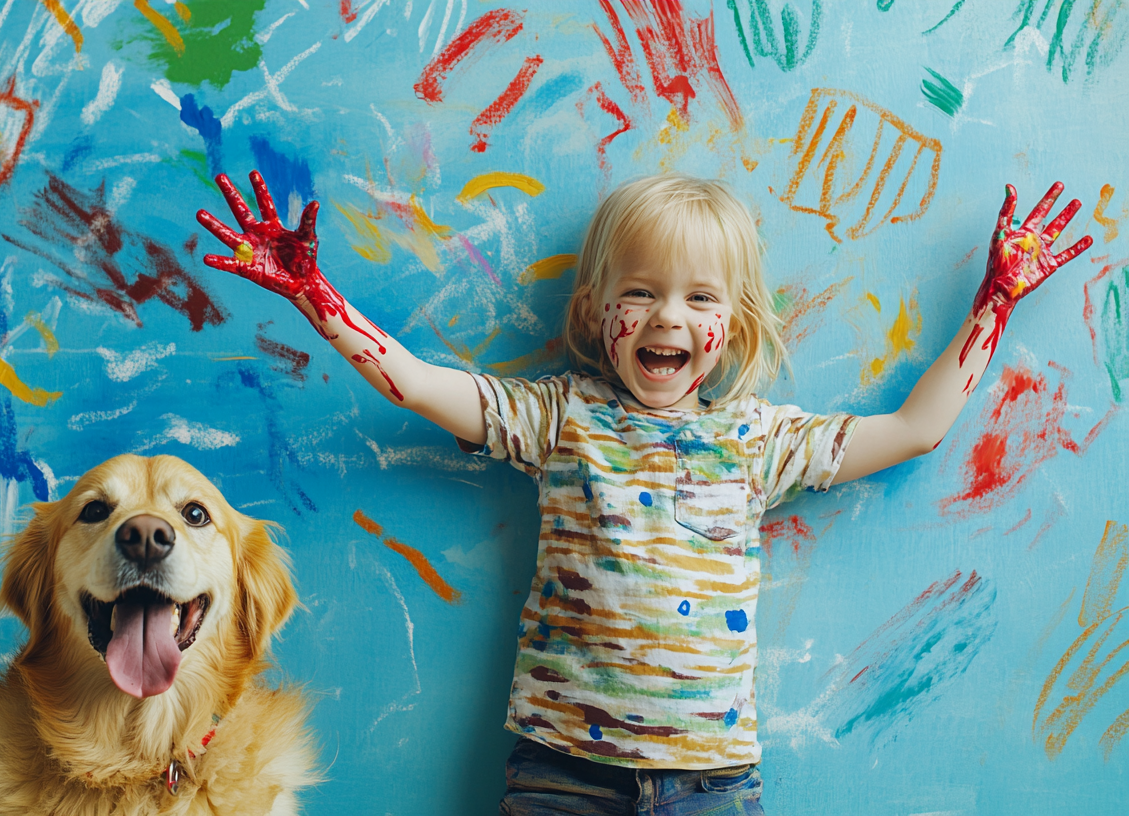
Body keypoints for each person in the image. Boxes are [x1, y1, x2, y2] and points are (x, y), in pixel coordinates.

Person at [195, 171, 1093, 815]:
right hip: (562, 775)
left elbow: (914, 431)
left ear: (731, 327)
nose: (668, 316)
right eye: (642, 292)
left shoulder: (756, 440)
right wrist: (316, 296)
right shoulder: (561, 418)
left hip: (711, 783)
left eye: (699, 297)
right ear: (596, 313)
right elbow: (423, 385)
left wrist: (996, 301)